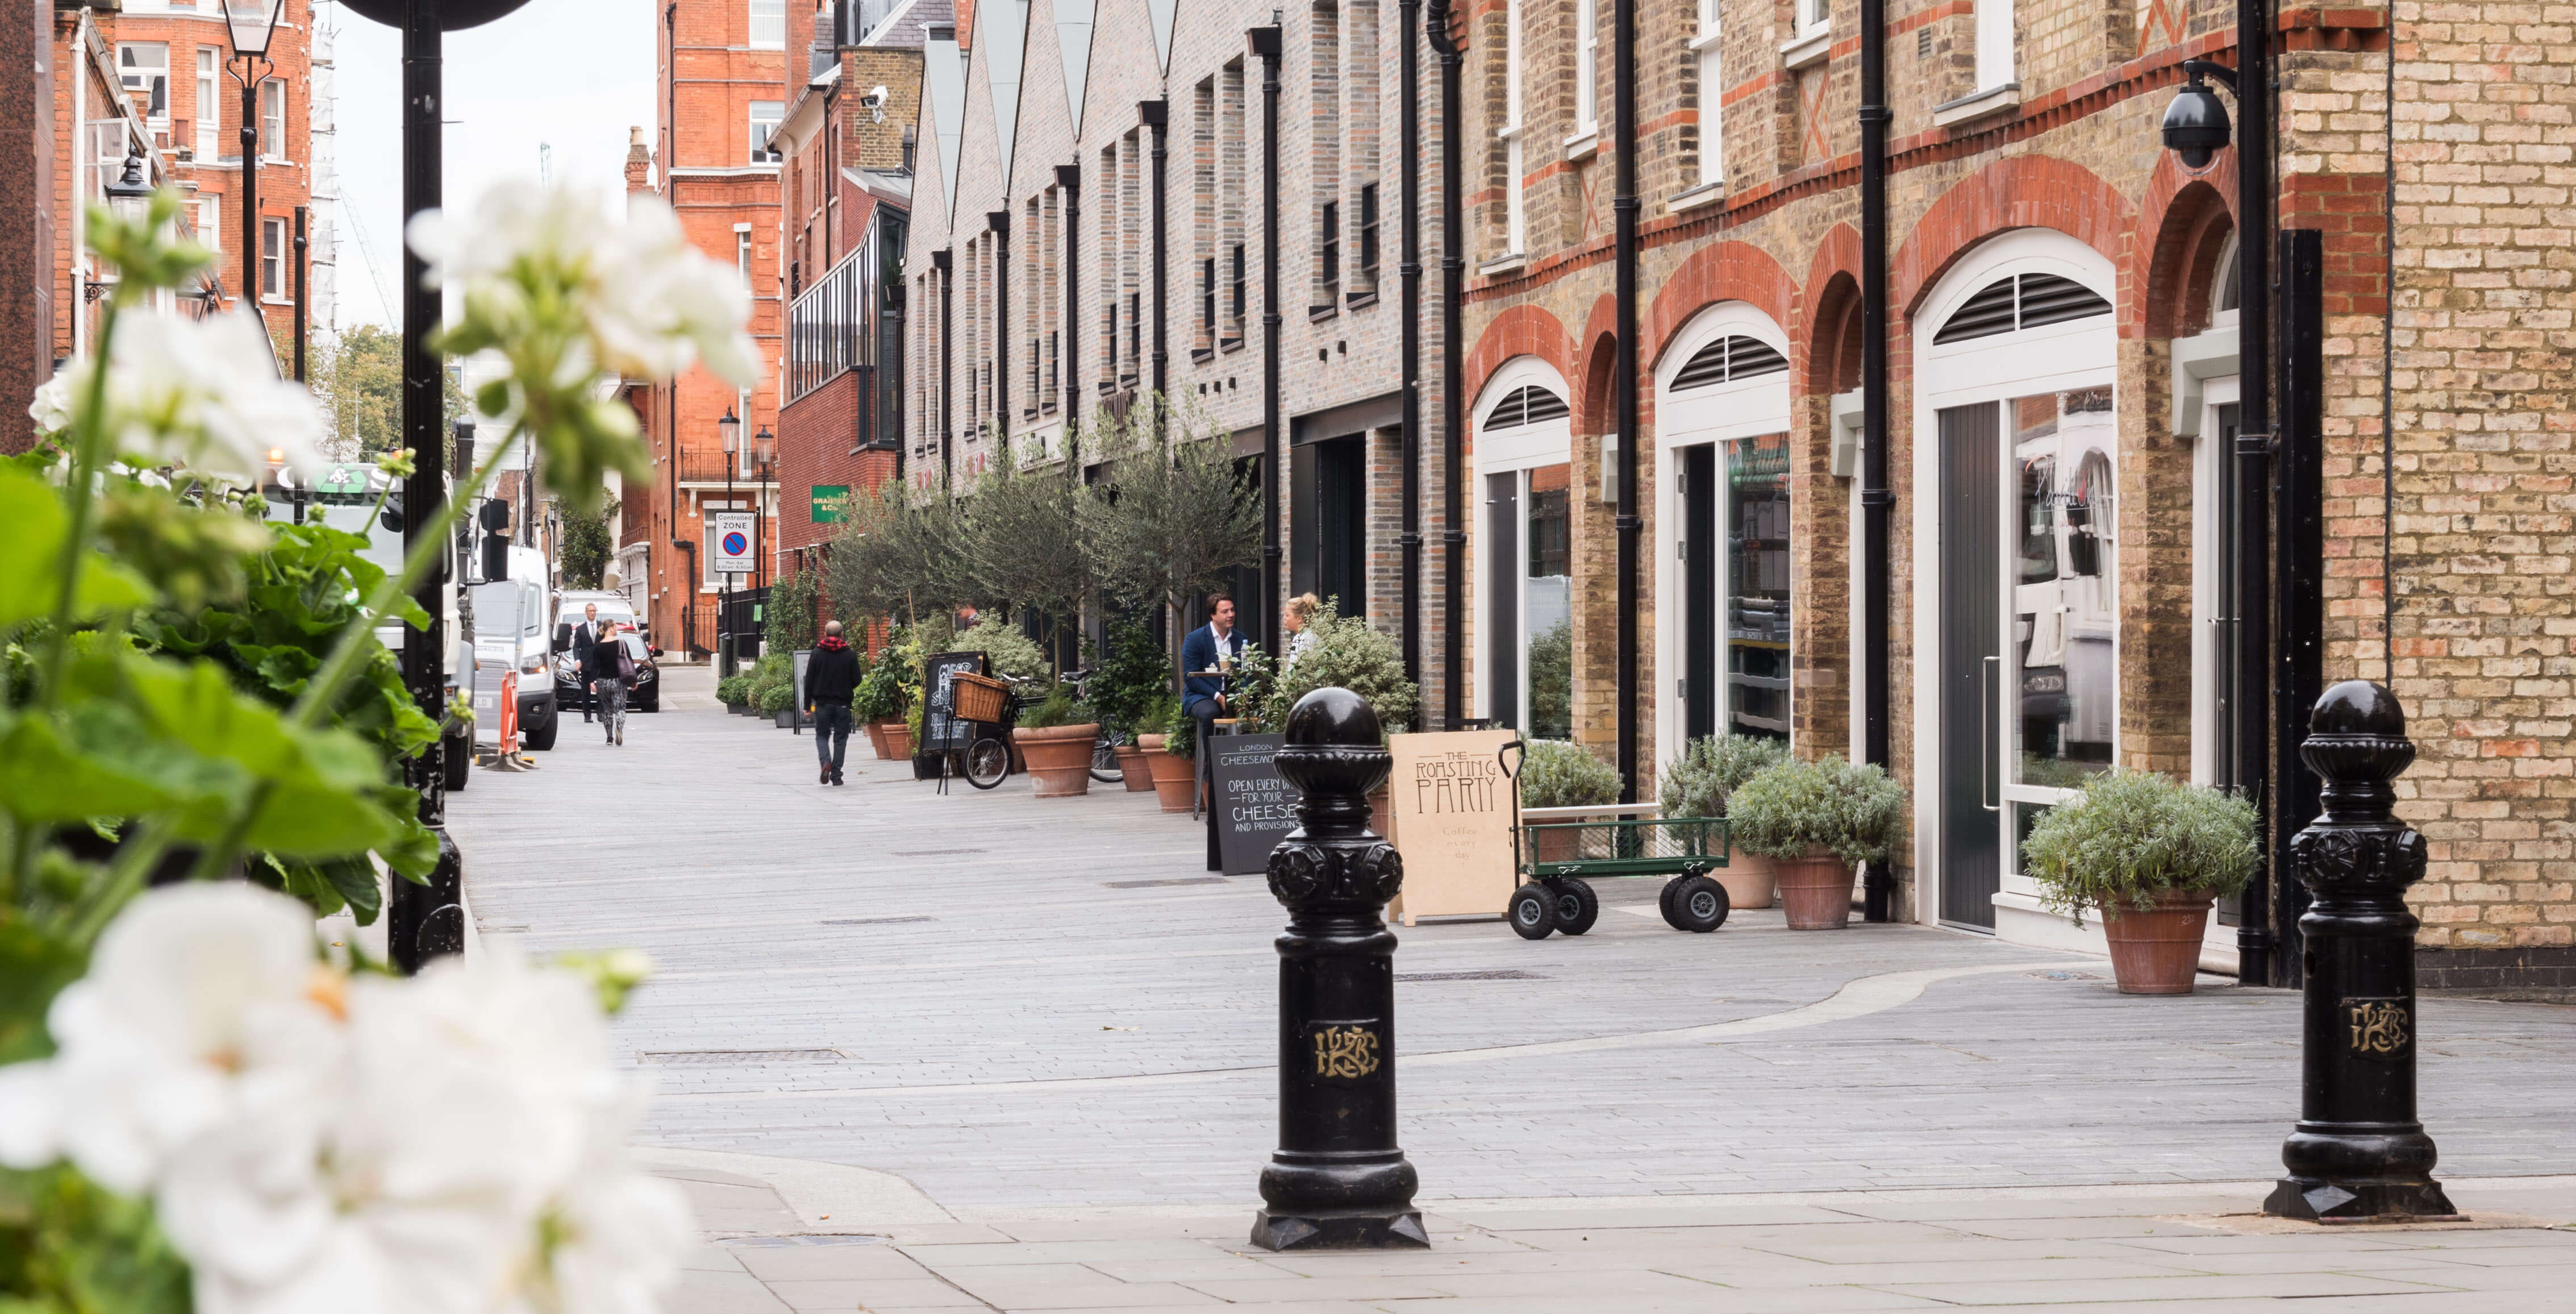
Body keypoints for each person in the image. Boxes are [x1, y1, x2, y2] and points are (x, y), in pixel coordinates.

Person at [1180, 593, 1248, 792]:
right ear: (1213, 615)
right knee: (1210, 713)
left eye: (1232, 610)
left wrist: (1242, 697)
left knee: (1256, 713)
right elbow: (1191, 678)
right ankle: (1211, 768)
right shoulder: (1195, 639)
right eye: (1225, 611)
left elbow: (1247, 673)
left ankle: (1249, 766)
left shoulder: (1241, 639)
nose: (1231, 615)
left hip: (1233, 695)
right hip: (1201, 695)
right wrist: (1218, 697)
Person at [805, 619, 862, 786]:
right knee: (840, 739)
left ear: (825, 634)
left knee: (822, 736)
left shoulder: (817, 653)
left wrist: (807, 706)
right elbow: (857, 679)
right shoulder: (850, 654)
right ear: (842, 634)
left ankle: (826, 762)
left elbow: (809, 681)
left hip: (822, 704)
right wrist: (846, 687)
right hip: (843, 704)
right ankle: (836, 775)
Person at [583, 620, 633, 746]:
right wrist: (633, 681)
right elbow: (630, 662)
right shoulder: (621, 643)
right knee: (620, 708)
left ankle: (609, 738)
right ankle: (619, 729)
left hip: (602, 682)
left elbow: (594, 666)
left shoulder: (598, 647)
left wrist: (592, 682)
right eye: (615, 627)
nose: (617, 629)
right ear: (610, 628)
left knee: (607, 710)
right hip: (619, 681)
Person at [571, 603, 605, 722]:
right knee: (585, 691)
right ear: (586, 612)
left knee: (601, 688)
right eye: (590, 611)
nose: (592, 613)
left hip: (600, 663)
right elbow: (576, 647)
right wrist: (578, 660)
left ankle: (600, 713)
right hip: (586, 663)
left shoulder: (602, 627)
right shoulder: (581, 629)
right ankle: (587, 715)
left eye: (594, 611)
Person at [1283, 593, 1323, 667]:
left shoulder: (1300, 639)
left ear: (1299, 619)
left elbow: (1295, 672)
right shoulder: (1313, 635)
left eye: (1287, 615)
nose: (1284, 618)